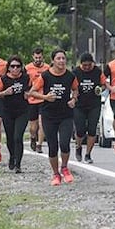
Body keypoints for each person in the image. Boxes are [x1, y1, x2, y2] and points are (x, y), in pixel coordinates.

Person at [30, 49, 79, 186]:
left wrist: (74, 99)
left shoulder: (70, 76)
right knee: (53, 146)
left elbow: (75, 89)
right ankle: (56, 174)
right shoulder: (45, 76)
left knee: (64, 143)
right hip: (49, 115)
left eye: (63, 58)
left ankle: (64, 167)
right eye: (58, 58)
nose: (62, 61)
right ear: (53, 61)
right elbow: (32, 92)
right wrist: (45, 97)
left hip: (66, 115)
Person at [0, 55, 31, 173]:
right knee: (10, 138)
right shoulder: (4, 79)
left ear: (21, 67)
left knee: (18, 137)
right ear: (9, 68)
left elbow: (32, 89)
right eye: (13, 66)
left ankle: (18, 164)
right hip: (8, 111)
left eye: (18, 66)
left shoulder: (26, 78)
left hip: (23, 111)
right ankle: (12, 156)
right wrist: (5, 92)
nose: (15, 69)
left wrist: (29, 93)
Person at [72, 52, 107, 164]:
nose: (87, 67)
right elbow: (71, 86)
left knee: (92, 130)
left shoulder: (97, 71)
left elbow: (104, 84)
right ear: (81, 64)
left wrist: (100, 89)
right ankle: (78, 147)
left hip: (94, 104)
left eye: (89, 65)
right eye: (84, 65)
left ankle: (88, 154)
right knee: (80, 129)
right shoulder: (76, 72)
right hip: (80, 104)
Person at [25, 47, 49, 153]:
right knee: (33, 126)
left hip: (43, 99)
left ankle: (39, 144)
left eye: (40, 57)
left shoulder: (47, 68)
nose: (38, 59)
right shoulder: (27, 68)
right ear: (33, 57)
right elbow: (25, 83)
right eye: (36, 57)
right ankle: (33, 137)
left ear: (43, 57)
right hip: (32, 100)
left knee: (42, 122)